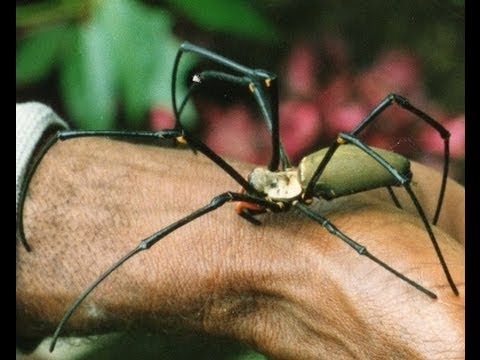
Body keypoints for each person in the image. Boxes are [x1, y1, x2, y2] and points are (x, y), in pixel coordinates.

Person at [16, 103, 464, 359]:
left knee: (357, 232)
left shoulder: (306, 195)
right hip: (296, 182)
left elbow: (355, 243)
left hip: (323, 176)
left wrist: (422, 288)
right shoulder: (251, 194)